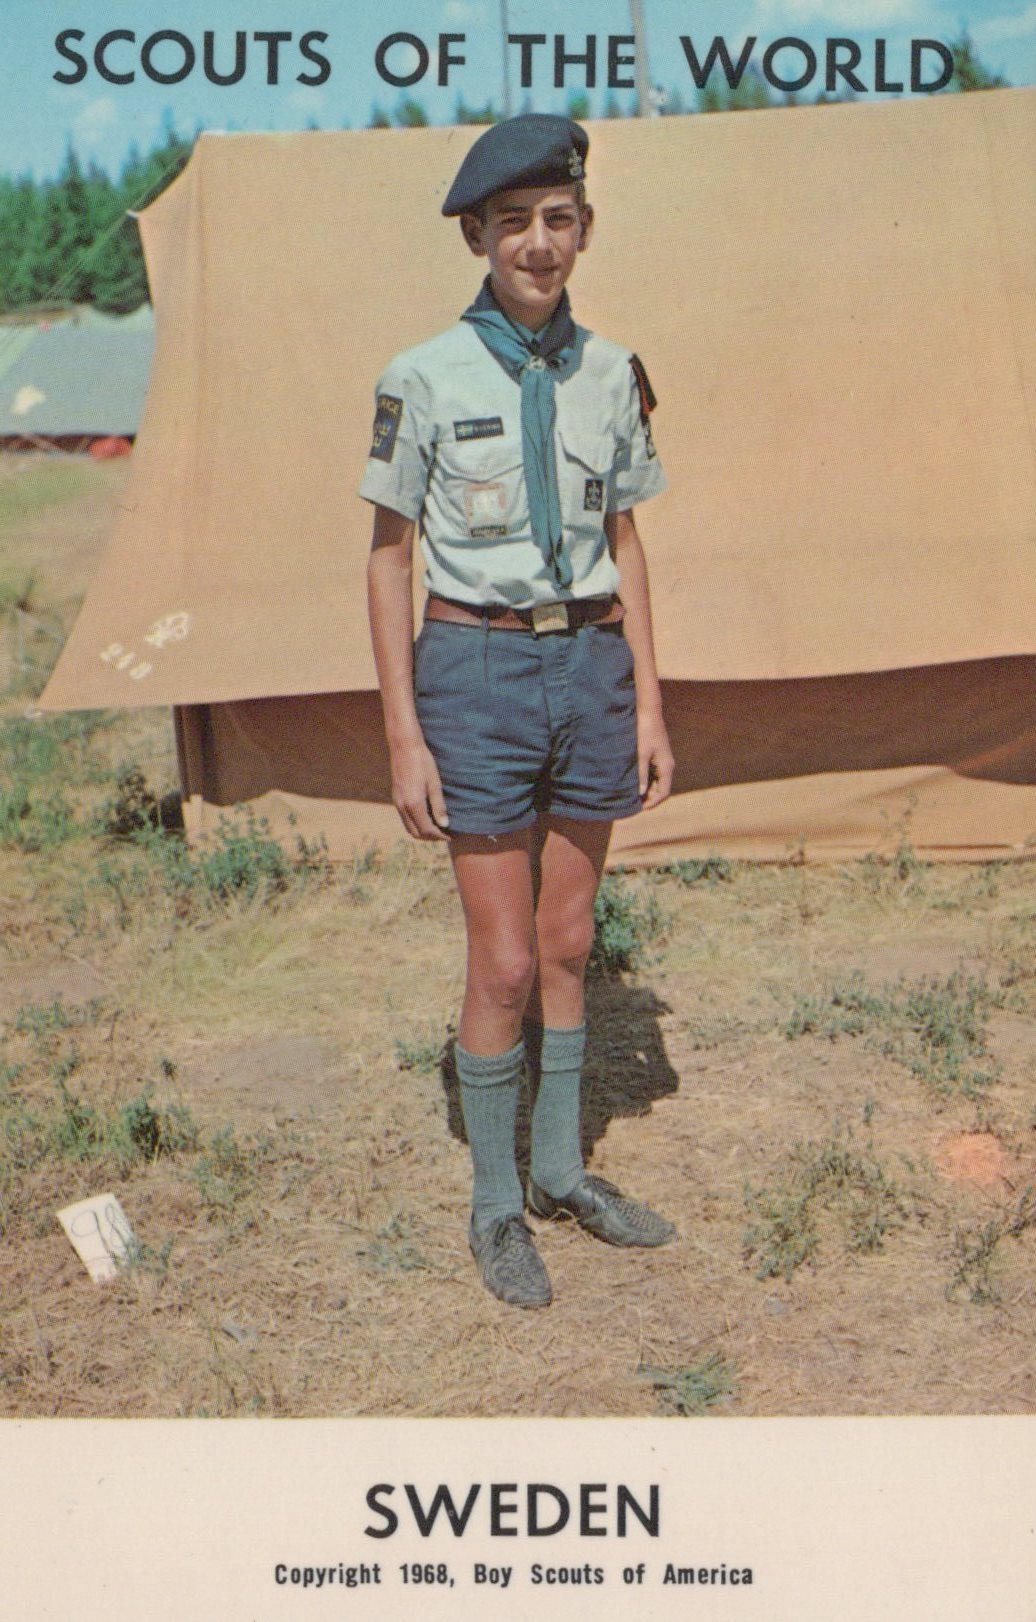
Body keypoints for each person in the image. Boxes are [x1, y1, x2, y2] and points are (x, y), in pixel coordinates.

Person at [362, 113, 676, 1309]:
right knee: (498, 958)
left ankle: (559, 1172)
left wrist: (647, 699)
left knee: (565, 942)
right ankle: (496, 1202)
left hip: (588, 665)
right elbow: (389, 560)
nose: (537, 246)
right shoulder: (422, 377)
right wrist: (403, 732)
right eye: (513, 225)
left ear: (584, 230)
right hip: (475, 675)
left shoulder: (611, 372)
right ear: (476, 236)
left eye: (558, 221)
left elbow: (626, 541)